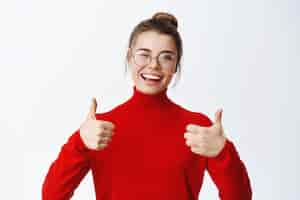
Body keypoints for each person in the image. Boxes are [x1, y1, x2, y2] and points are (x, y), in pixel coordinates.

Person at [42, 12, 252, 200]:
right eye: (144, 54)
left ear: (176, 65)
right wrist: (79, 142)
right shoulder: (100, 130)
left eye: (166, 57)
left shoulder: (198, 129)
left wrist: (223, 153)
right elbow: (52, 196)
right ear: (129, 57)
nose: (153, 65)